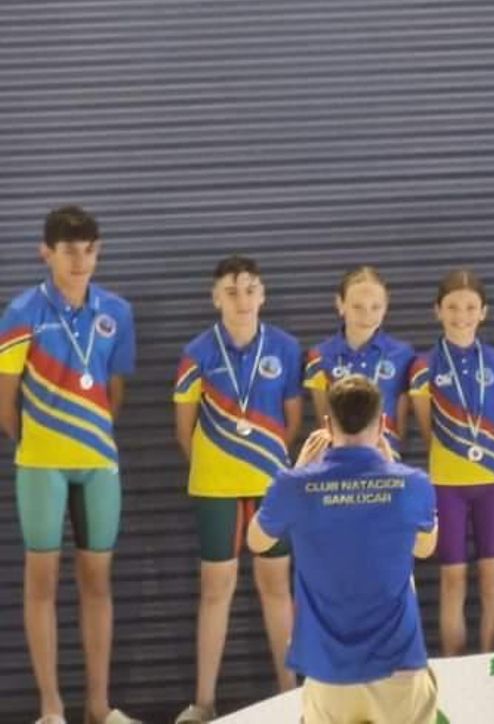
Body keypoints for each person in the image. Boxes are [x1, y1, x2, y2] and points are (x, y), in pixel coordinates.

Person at [0, 206, 140, 724]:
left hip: (98, 461)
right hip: (41, 465)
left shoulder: (117, 313)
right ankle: (51, 709)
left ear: (97, 251)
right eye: (68, 250)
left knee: (97, 583)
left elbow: (115, 392)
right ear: (47, 252)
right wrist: (43, 443)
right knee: (42, 583)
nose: (80, 260)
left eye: (88, 249)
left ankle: (98, 707)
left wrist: (88, 436)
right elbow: (5, 401)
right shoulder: (21, 313)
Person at [248, 375, 439, 724]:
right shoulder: (413, 484)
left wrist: (299, 469)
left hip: (329, 671)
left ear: (327, 424)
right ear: (382, 424)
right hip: (399, 666)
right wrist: (390, 468)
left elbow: (256, 541)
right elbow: (426, 548)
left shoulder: (294, 486)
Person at [173, 255, 302, 724]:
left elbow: (292, 422)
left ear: (262, 294)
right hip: (215, 489)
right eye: (231, 291)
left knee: (276, 587)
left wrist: (262, 465)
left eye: (250, 289)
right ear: (215, 298)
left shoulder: (287, 349)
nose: (242, 299)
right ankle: (204, 702)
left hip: (272, 487)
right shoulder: (197, 352)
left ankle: (292, 696)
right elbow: (184, 431)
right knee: (215, 590)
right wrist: (219, 468)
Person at [408, 268, 494, 656]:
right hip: (446, 484)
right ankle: (455, 676)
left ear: (483, 312)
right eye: (453, 307)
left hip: (492, 481)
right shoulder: (423, 366)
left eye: (470, 307)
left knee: (493, 578)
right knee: (452, 580)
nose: (461, 315)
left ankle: (492, 673)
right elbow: (426, 429)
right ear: (437, 311)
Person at [303, 266, 416, 458]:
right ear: (340, 304)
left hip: (385, 460)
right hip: (338, 461)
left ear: (386, 307)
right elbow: (324, 421)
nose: (367, 314)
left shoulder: (402, 354)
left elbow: (401, 424)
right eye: (357, 307)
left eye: (376, 307)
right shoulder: (319, 357)